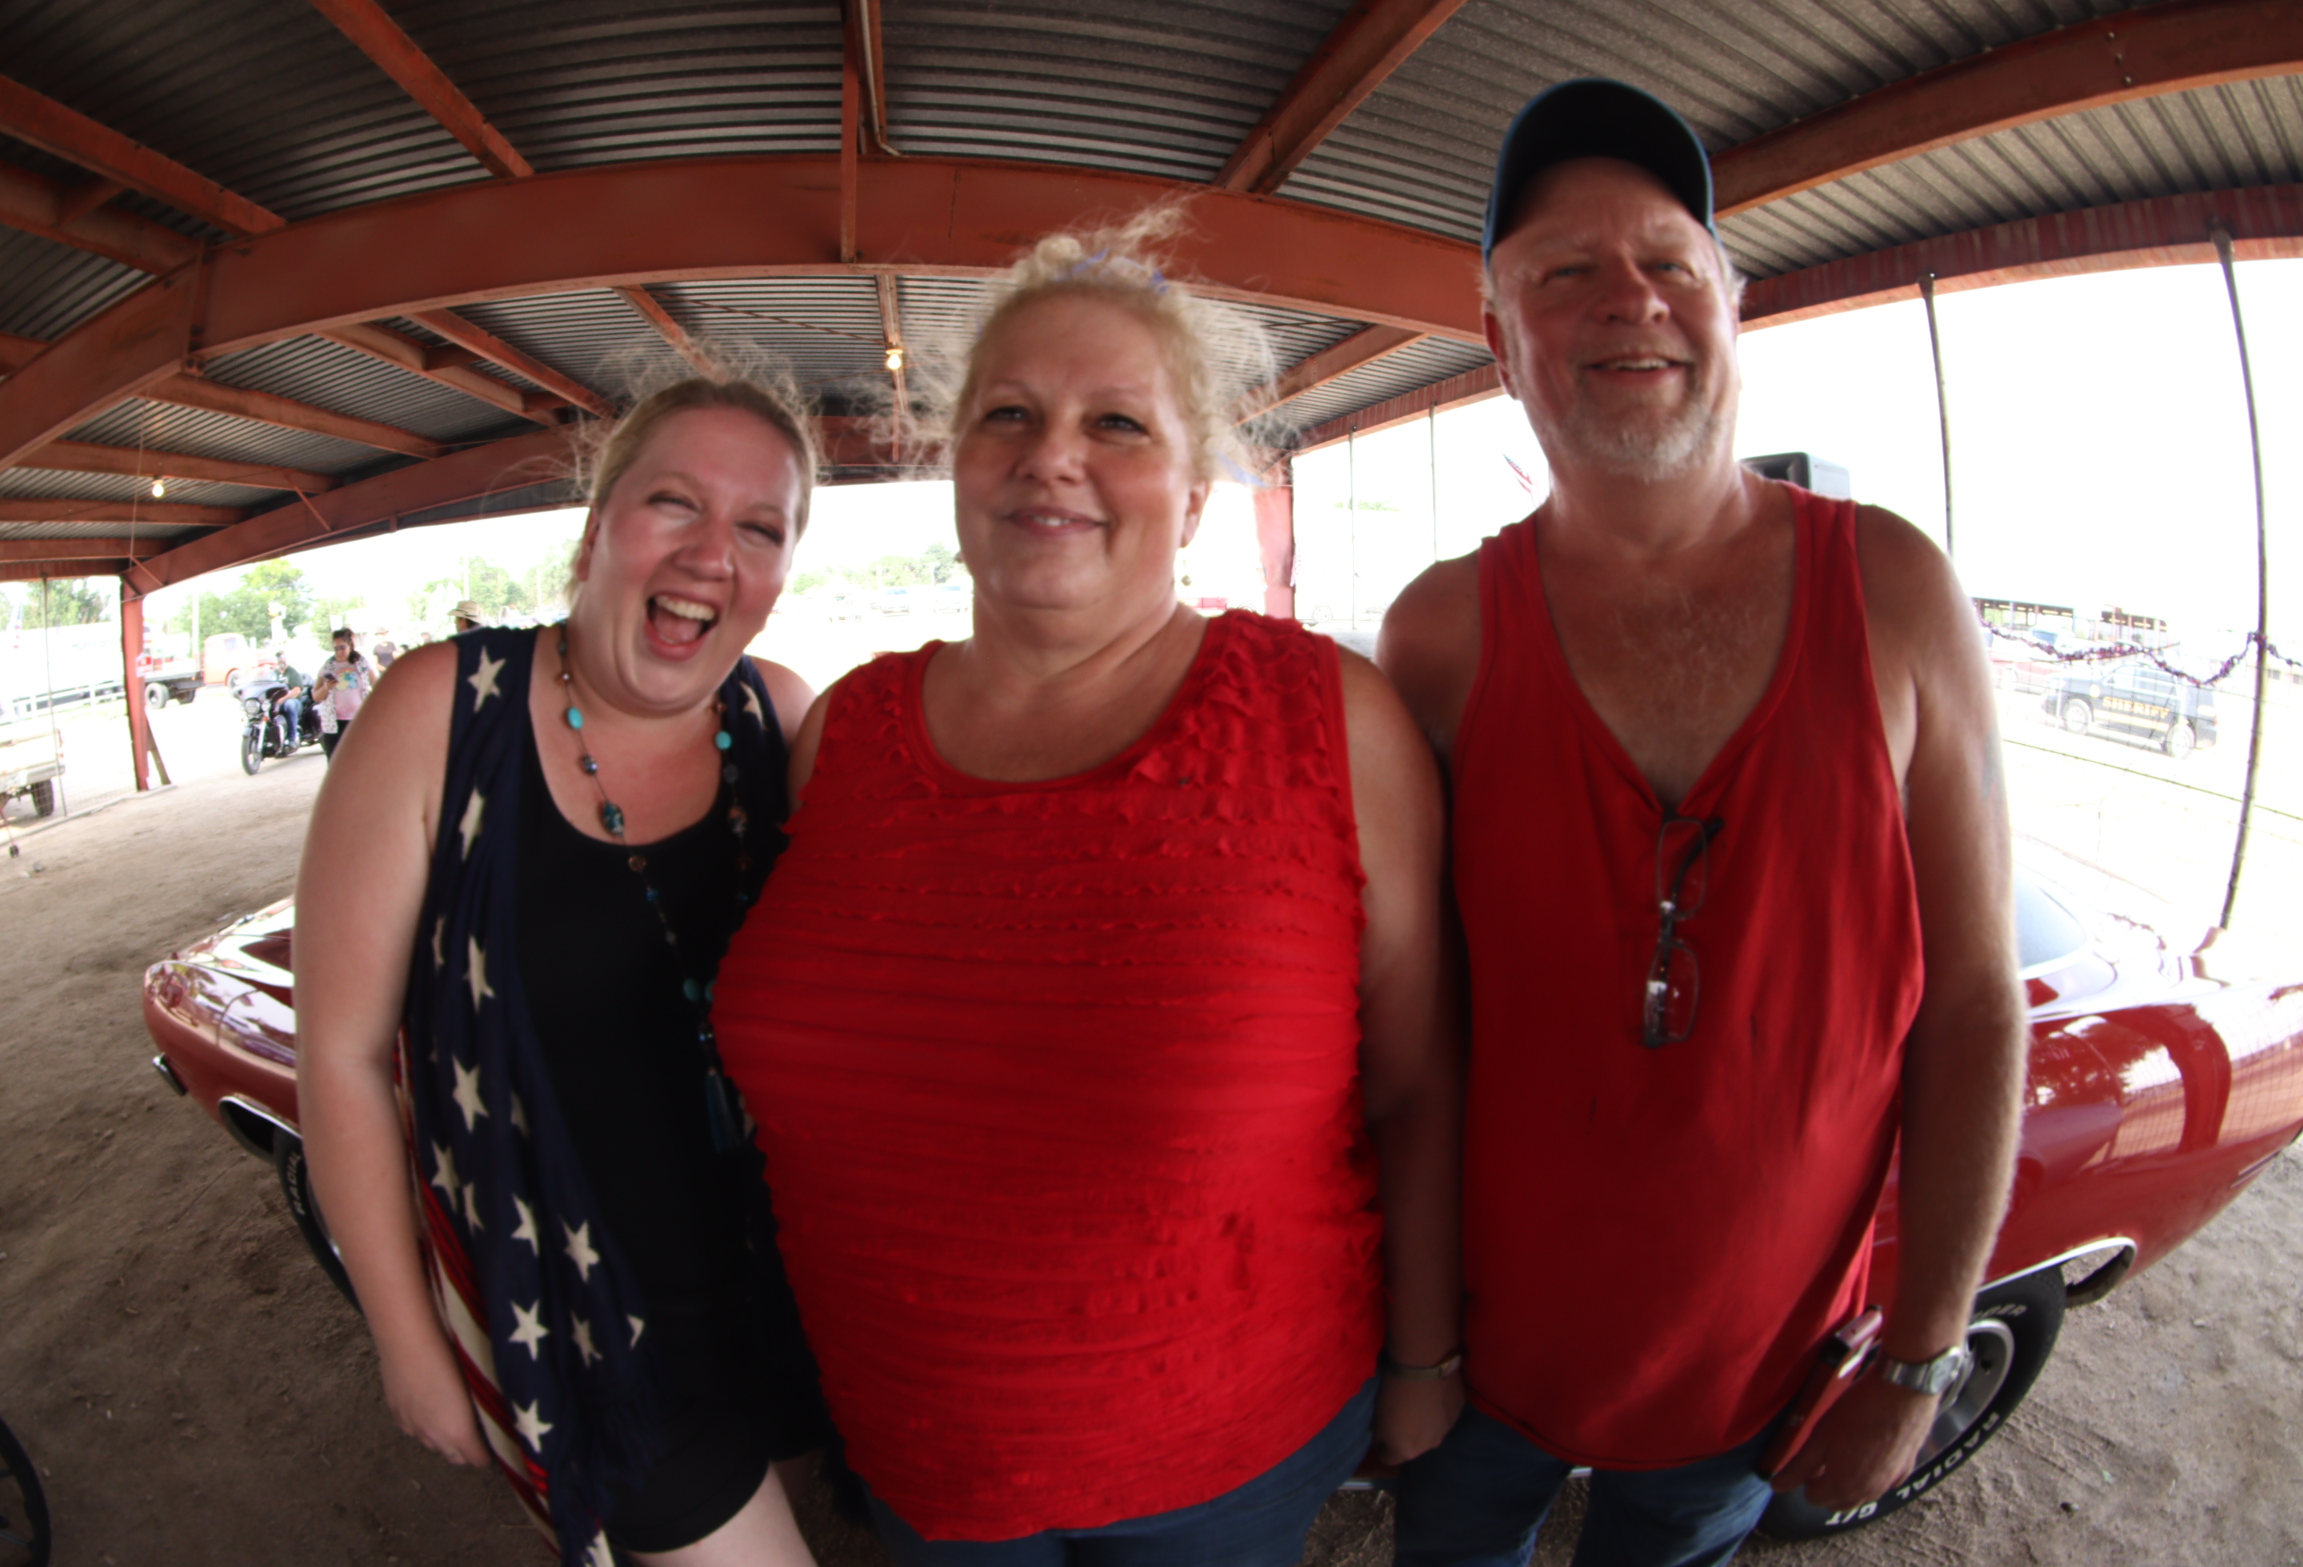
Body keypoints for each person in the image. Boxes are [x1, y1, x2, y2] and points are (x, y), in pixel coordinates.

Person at [712, 212, 1463, 1566]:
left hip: (1231, 1461)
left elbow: (1415, 1087)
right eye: (1008, 414)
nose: (1050, 455)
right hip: (913, 1454)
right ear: (954, 471)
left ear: (1193, 493)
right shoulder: (841, 736)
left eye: (1117, 424)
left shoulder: (1329, 724)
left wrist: (1425, 1352)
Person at [1376, 79, 2027, 1566]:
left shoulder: (1899, 594)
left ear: (1734, 302)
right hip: (1482, 1367)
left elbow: (1976, 1004)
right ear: (1500, 338)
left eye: (1672, 262)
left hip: (1761, 1370)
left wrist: (1921, 1355)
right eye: (1567, 273)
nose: (1633, 304)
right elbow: (1392, 1026)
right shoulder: (1441, 636)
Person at [292, 374, 827, 1567]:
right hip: (586, 1310)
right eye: (672, 503)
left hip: (779, 1285)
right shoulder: (442, 711)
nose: (709, 554)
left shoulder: (783, 721)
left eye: (760, 526)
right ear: (596, 528)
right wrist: (408, 1335)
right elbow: (335, 1053)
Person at [312, 628, 378, 755]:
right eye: (336, 648)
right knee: (336, 762)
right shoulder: (328, 666)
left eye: (342, 647)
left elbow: (376, 685)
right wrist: (326, 688)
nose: (339, 652)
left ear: (350, 646)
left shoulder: (361, 663)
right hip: (334, 723)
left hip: (359, 720)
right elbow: (316, 696)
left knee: (361, 759)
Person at [271, 649, 309, 748]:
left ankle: (292, 738)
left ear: (285, 658)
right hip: (277, 702)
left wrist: (282, 700)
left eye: (281, 657)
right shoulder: (273, 674)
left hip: (293, 701)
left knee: (289, 705)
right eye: (278, 657)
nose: (280, 660)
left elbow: (296, 691)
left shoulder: (292, 672)